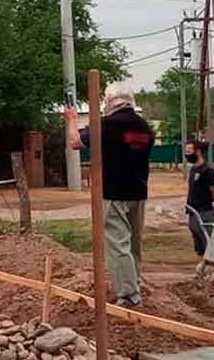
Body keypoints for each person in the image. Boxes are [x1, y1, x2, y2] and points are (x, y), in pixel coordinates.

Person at [64, 82, 154, 307]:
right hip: (139, 192)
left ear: (109, 101)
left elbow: (75, 142)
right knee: (134, 244)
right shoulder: (145, 127)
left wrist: (72, 120)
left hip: (114, 192)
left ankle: (129, 295)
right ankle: (135, 283)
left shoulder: (107, 125)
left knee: (117, 244)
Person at [185, 139, 214, 263]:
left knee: (209, 245)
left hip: (204, 213)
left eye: (189, 152)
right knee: (199, 247)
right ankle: (201, 271)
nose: (187, 155)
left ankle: (212, 270)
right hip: (192, 214)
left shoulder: (207, 171)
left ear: (198, 152)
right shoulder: (193, 169)